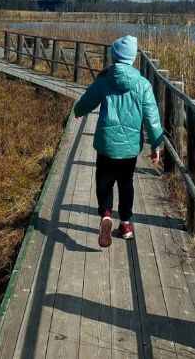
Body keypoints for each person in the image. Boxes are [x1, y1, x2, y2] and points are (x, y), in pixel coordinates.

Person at [72, 35, 165, 248]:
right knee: (126, 183)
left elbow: (87, 100)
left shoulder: (104, 80)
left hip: (106, 144)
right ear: (132, 59)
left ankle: (106, 214)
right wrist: (156, 145)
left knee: (104, 181)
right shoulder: (143, 84)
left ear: (114, 57)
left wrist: (78, 111)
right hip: (130, 147)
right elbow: (152, 118)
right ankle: (125, 225)